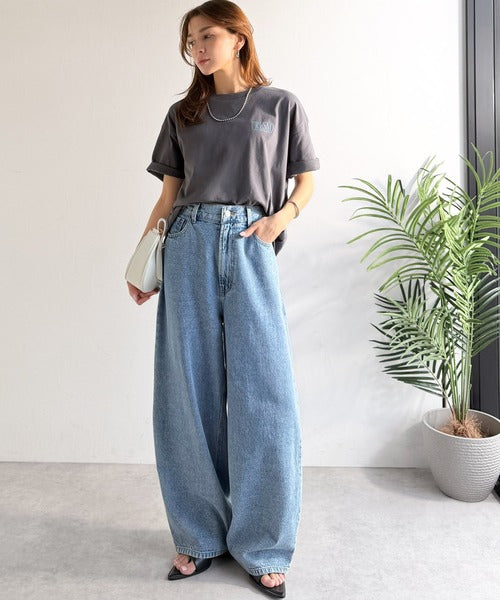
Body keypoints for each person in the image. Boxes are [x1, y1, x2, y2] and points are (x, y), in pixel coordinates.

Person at [127, 1, 320, 597]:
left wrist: (281, 217)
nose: (199, 49)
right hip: (187, 245)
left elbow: (306, 179)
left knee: (267, 392)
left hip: (251, 242)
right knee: (187, 393)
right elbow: (169, 198)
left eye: (208, 36)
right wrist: (141, 260)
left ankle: (263, 544)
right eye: (191, 41)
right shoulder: (183, 114)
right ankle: (198, 535)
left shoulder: (280, 105)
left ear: (239, 38)